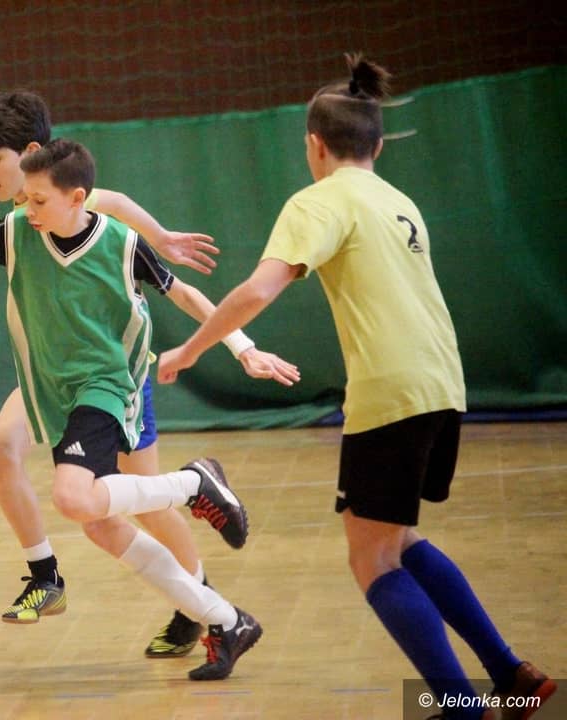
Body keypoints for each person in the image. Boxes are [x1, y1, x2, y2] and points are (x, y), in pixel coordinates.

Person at [157, 53, 556, 717]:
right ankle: (511, 673)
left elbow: (258, 289)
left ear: (314, 145)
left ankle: (462, 705)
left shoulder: (317, 200)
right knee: (397, 542)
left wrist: (191, 348)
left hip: (391, 391)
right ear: (377, 145)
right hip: (442, 382)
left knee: (371, 561)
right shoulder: (399, 201)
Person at [0, 138, 270, 681]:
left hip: (105, 385)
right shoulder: (15, 232)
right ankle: (224, 619)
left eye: (39, 201)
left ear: (77, 198)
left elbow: (183, 294)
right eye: (27, 200)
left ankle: (194, 485)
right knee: (99, 526)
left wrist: (242, 347)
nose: (29, 210)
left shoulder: (121, 243)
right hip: (56, 393)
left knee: (72, 498)